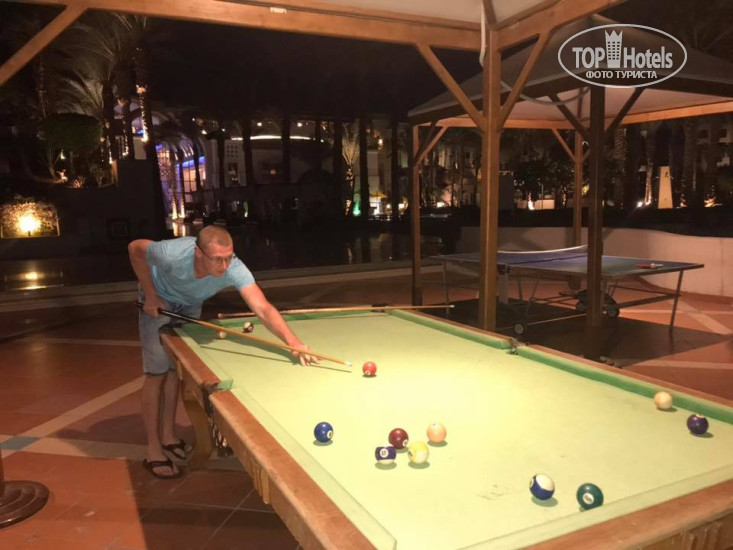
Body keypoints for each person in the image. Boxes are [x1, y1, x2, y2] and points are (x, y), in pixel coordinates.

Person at [128, 225, 316, 479]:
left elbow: (262, 308)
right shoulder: (172, 254)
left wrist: (293, 342)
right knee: (156, 374)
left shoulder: (233, 267)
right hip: (158, 300)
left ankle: (169, 437)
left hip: (190, 304)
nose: (224, 266)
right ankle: (153, 449)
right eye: (217, 259)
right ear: (198, 253)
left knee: (174, 368)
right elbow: (135, 249)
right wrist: (150, 296)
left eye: (229, 257)